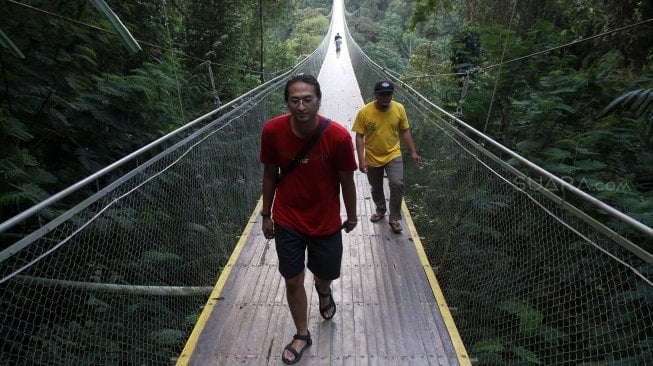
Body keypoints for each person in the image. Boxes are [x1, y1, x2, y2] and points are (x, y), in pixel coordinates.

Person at [260, 74, 358, 365]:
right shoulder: (272, 131)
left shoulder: (338, 136)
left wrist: (351, 215)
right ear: (287, 102)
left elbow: (346, 180)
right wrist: (266, 214)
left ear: (318, 100)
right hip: (288, 217)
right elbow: (269, 173)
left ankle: (323, 290)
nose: (301, 106)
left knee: (325, 273)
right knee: (292, 280)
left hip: (325, 220)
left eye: (307, 99)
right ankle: (302, 334)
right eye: (295, 100)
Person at [352, 80, 421, 234]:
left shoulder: (399, 108)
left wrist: (413, 152)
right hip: (373, 156)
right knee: (376, 187)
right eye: (382, 94)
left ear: (392, 94)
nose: (386, 97)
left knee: (397, 184)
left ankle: (394, 218)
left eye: (388, 94)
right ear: (375, 94)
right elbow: (359, 136)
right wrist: (361, 160)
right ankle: (381, 209)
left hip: (393, 153)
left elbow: (405, 131)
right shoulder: (365, 112)